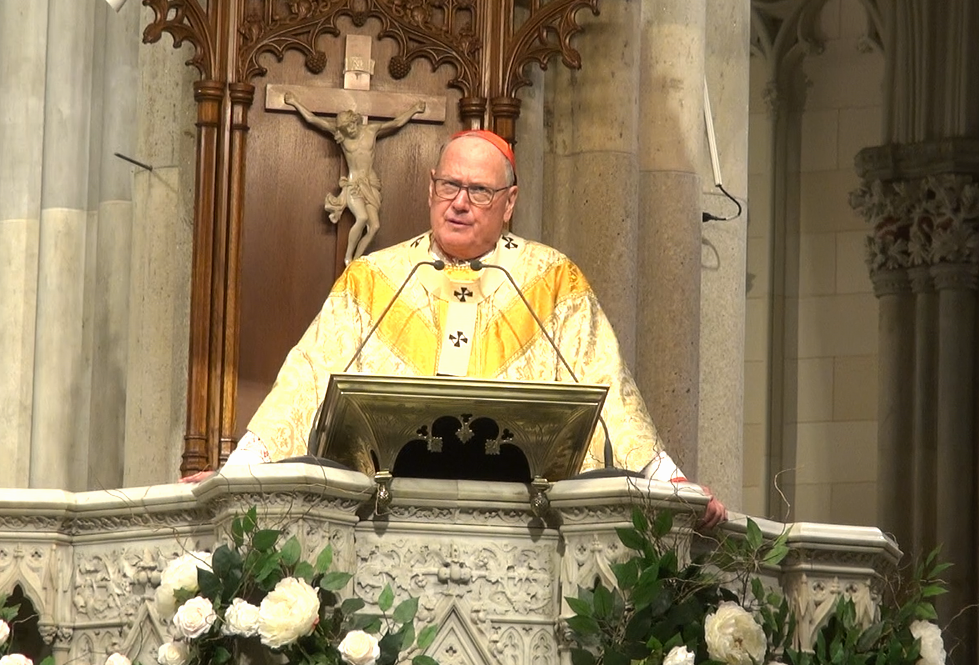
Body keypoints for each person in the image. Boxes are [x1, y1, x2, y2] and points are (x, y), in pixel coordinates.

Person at [185, 129, 727, 529]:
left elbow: (610, 392)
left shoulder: (552, 281)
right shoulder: (375, 280)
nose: (460, 202)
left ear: (509, 203)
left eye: (479, 191)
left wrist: (671, 483)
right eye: (449, 185)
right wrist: (237, 473)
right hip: (383, 522)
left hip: (522, 527)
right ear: (429, 187)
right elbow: (305, 382)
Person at [285, 94, 426, 265]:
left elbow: (396, 123)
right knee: (362, 218)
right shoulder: (341, 136)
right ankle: (348, 258)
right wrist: (294, 102)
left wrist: (415, 110)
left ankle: (357, 261)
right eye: (345, 128)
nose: (350, 130)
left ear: (356, 121)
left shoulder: (371, 131)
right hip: (352, 184)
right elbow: (312, 119)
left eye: (351, 125)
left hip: (370, 184)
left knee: (375, 227)